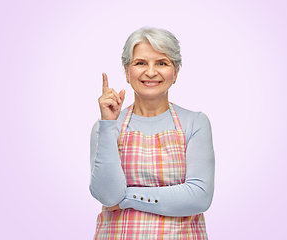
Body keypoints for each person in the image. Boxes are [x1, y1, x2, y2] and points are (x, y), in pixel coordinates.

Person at [89, 27, 215, 239]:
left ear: (175, 72)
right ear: (127, 71)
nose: (151, 72)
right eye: (140, 63)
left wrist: (126, 198)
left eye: (161, 63)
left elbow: (199, 197)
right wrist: (108, 125)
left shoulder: (195, 123)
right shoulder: (107, 126)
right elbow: (108, 195)